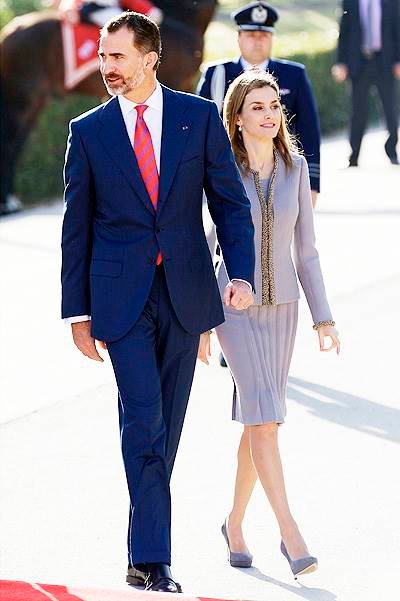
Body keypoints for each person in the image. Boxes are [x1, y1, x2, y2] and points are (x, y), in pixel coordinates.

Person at [61, 11, 255, 593]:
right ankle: (150, 559)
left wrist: (239, 273)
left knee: (164, 427)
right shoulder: (89, 131)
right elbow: (76, 228)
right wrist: (77, 311)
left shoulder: (197, 119)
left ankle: (144, 538)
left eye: (118, 57)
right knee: (142, 418)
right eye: (103, 56)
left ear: (150, 57)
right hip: (119, 301)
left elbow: (229, 204)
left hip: (186, 294)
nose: (107, 67)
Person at [198, 69, 340, 578]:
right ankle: (290, 533)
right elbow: (203, 246)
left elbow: (307, 251)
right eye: (257, 106)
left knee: (263, 421)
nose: (269, 114)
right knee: (262, 420)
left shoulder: (296, 167)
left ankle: (234, 523)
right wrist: (198, 323)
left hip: (286, 312)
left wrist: (323, 315)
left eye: (274, 105)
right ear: (236, 118)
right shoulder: (220, 170)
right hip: (232, 307)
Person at [197, 1, 321, 205]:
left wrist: (312, 182)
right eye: (251, 35)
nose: (257, 42)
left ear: (272, 38)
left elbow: (309, 130)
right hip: (227, 174)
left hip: (282, 173)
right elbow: (201, 129)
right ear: (239, 38)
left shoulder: (293, 75)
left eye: (263, 35)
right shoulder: (217, 75)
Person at [332, 0, 400, 166]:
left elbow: (398, 29)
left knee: (389, 109)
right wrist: (341, 62)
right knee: (358, 111)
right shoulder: (350, 2)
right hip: (359, 64)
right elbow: (344, 31)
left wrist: (398, 60)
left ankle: (392, 150)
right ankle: (354, 155)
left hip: (384, 63)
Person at [58, 0, 163, 27]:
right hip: (87, 9)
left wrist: (148, 10)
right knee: (124, 27)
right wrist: (69, 8)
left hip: (110, 9)